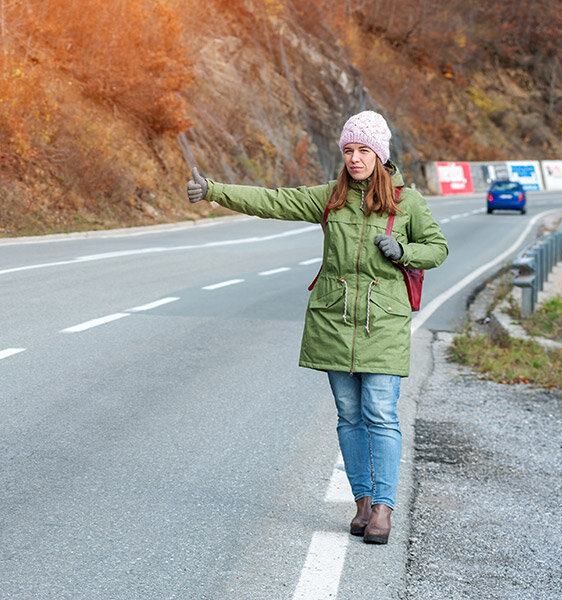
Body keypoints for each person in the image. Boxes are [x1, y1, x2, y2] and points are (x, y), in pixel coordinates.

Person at [186, 110, 448, 544]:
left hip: (382, 322)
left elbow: (437, 248)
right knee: (348, 416)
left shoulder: (409, 202)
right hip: (334, 319)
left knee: (380, 415)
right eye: (348, 150)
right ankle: (362, 504)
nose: (355, 158)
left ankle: (383, 509)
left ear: (380, 154)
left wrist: (403, 250)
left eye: (364, 150)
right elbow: (273, 200)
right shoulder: (331, 196)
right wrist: (214, 190)